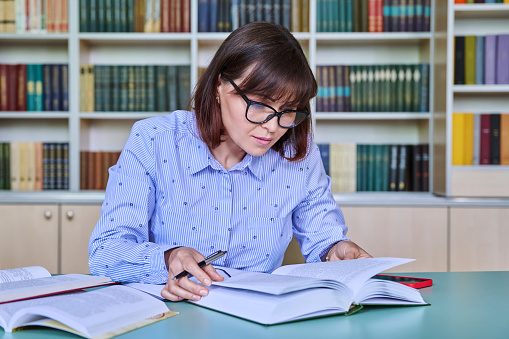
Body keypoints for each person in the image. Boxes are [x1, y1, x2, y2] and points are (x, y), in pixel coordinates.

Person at [89, 21, 371, 303]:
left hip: (260, 317)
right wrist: (168, 258)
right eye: (260, 103)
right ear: (218, 86)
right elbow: (105, 252)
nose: (273, 127)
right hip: (173, 316)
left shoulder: (299, 153)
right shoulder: (153, 141)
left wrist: (336, 250)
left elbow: (324, 239)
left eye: (287, 110)